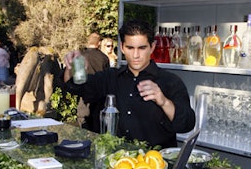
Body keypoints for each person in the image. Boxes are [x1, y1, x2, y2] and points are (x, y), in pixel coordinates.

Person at [63, 20, 195, 148]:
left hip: (154, 165)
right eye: (130, 48)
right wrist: (72, 65)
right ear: (122, 48)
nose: (136, 55)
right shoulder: (109, 78)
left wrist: (163, 101)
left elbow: (186, 124)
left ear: (152, 47)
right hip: (116, 163)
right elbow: (73, 87)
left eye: (142, 48)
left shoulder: (170, 81)